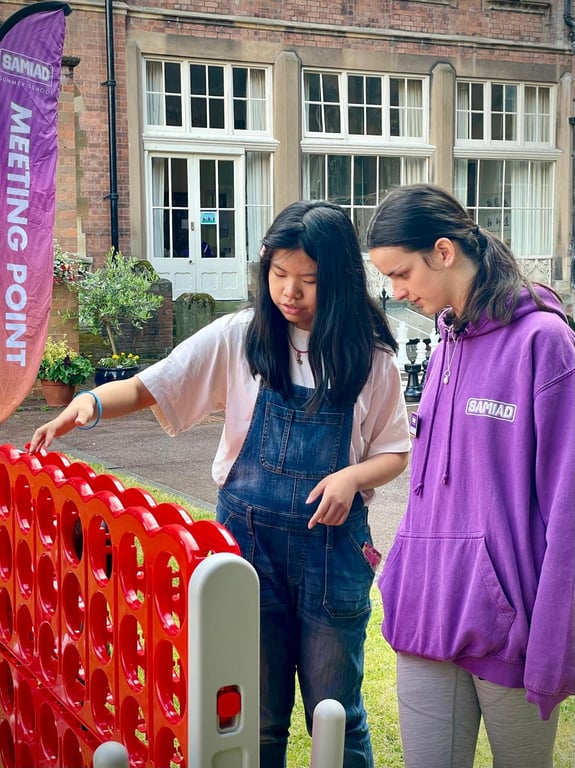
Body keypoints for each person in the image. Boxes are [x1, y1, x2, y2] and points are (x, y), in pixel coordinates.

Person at [30, 200, 411, 768]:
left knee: (338, 712)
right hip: (245, 553)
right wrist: (89, 403)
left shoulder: (370, 358)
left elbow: (394, 451)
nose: (290, 292)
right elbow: (152, 384)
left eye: (309, 280)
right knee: (255, 713)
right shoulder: (240, 336)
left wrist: (352, 477)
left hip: (333, 556)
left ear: (340, 280)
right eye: (279, 274)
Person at [366, 183, 575, 768]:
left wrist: (554, 644)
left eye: (401, 273)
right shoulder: (443, 345)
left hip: (511, 634)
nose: (395, 291)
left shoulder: (545, 342)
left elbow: (568, 507)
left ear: (443, 251)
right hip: (427, 614)